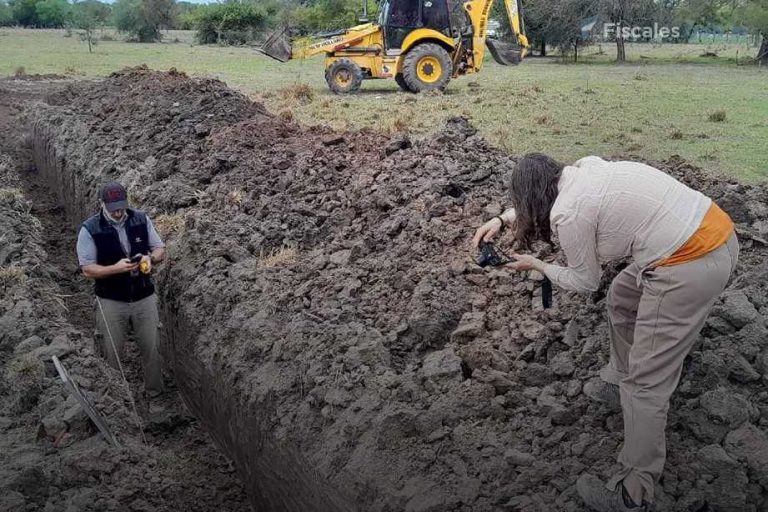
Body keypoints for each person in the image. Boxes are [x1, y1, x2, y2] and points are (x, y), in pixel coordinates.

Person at [472, 154, 739, 512]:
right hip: (713, 233)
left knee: (646, 382)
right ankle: (617, 382)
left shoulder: (569, 214)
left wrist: (538, 265)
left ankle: (633, 492)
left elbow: (585, 281)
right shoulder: (585, 168)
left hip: (690, 264)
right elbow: (538, 203)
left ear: (531, 197)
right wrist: (501, 219)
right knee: (622, 298)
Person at [76, 181, 167, 398]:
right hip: (111, 300)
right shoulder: (90, 229)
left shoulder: (141, 219)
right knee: (111, 353)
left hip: (143, 296)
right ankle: (118, 401)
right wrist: (115, 269)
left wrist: (150, 258)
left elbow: (160, 249)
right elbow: (87, 269)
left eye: (121, 207)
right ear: (102, 203)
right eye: (113, 208)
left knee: (152, 349)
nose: (118, 212)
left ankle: (155, 393)